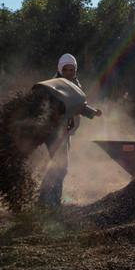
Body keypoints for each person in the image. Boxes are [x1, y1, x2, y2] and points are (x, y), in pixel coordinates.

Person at [37, 53, 102, 207]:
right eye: (65, 69)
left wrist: (93, 112)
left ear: (75, 70)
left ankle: (44, 200)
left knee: (58, 165)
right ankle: (52, 201)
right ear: (60, 69)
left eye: (71, 70)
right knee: (61, 166)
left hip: (65, 131)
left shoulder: (75, 86)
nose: (68, 72)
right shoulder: (53, 85)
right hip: (54, 132)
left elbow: (78, 105)